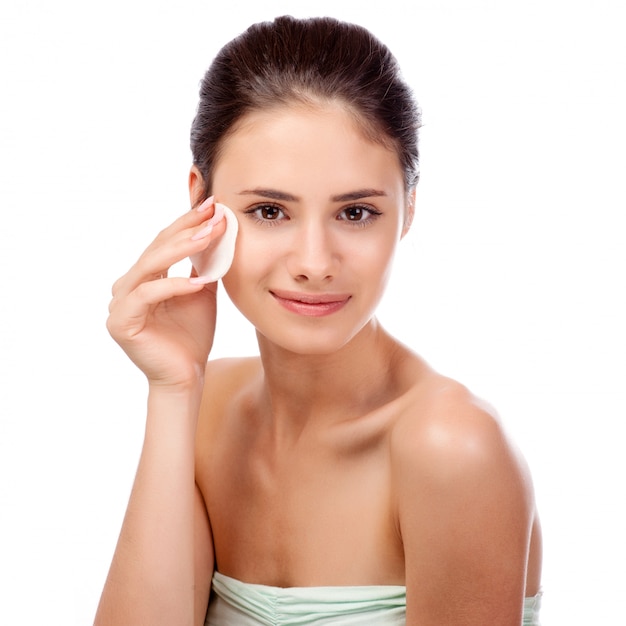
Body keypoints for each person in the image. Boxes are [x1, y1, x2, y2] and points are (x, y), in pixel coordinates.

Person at [95, 15, 542, 626]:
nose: (313, 263)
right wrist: (173, 391)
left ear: (408, 210)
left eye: (355, 213)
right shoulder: (207, 408)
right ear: (201, 205)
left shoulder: (450, 449)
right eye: (270, 210)